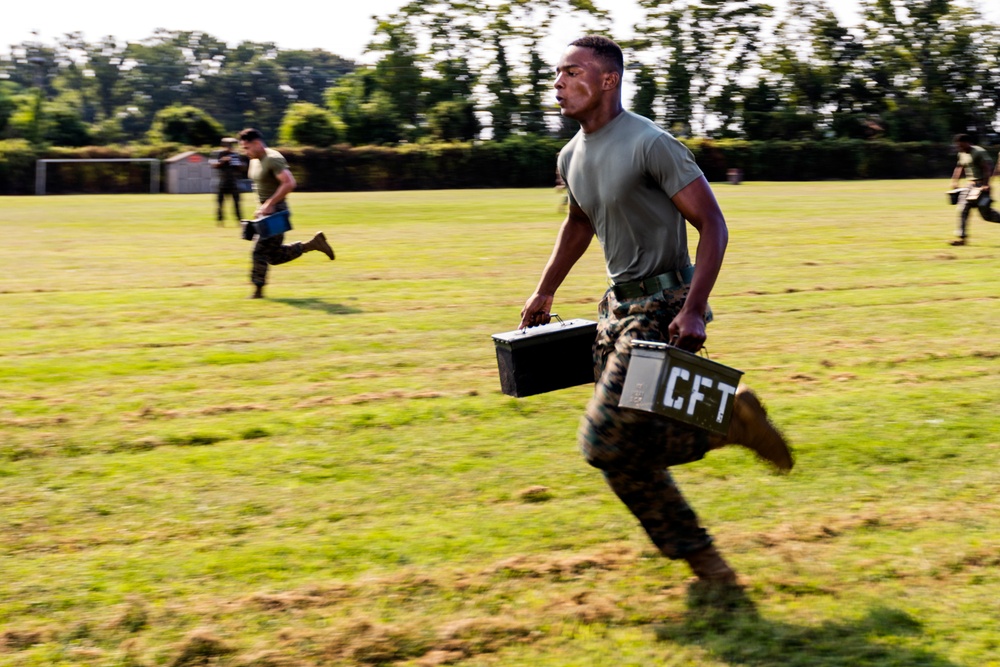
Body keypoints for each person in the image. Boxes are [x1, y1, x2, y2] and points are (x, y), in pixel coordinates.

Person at [518, 36, 793, 592]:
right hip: (615, 314)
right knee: (627, 454)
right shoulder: (570, 154)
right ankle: (710, 570)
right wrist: (544, 290)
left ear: (607, 80)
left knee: (603, 441)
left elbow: (713, 224)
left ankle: (723, 427)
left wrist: (693, 310)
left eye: (572, 73)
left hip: (662, 312)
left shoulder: (650, 143)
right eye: (557, 74)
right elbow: (579, 222)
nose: (559, 83)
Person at [237, 128, 336, 299]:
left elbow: (289, 183)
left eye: (246, 147)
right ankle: (312, 244)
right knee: (273, 256)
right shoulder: (255, 160)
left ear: (257, 143)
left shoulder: (273, 159)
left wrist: (269, 204)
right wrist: (261, 208)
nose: (244, 151)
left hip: (277, 213)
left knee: (259, 252)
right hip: (266, 213)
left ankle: (257, 292)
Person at [949, 133, 1000, 246]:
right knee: (963, 210)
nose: (960, 148)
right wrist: (955, 181)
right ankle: (961, 239)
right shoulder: (962, 153)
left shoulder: (978, 152)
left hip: (981, 186)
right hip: (969, 186)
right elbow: (960, 167)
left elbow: (987, 168)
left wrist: (986, 184)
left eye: (961, 146)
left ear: (968, 143)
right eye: (958, 146)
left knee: (986, 215)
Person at [209, 137, 244, 225]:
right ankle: (220, 220)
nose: (230, 147)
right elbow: (213, 164)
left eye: (232, 145)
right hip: (222, 182)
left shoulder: (236, 155)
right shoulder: (218, 154)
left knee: (237, 203)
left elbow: (242, 168)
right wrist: (222, 161)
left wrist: (238, 164)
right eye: (228, 145)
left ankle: (239, 220)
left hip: (233, 182)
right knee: (220, 203)